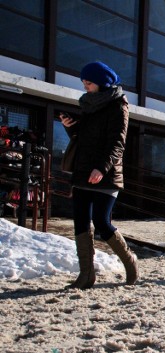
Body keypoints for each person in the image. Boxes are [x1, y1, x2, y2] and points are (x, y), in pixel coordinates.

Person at [61, 61, 138, 290]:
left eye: (89, 82)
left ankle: (130, 262)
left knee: (102, 223)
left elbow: (117, 143)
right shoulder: (88, 104)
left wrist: (101, 168)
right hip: (83, 171)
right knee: (81, 223)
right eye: (83, 82)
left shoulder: (118, 106)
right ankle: (86, 276)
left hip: (105, 173)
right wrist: (70, 127)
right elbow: (84, 138)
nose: (85, 86)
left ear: (102, 83)